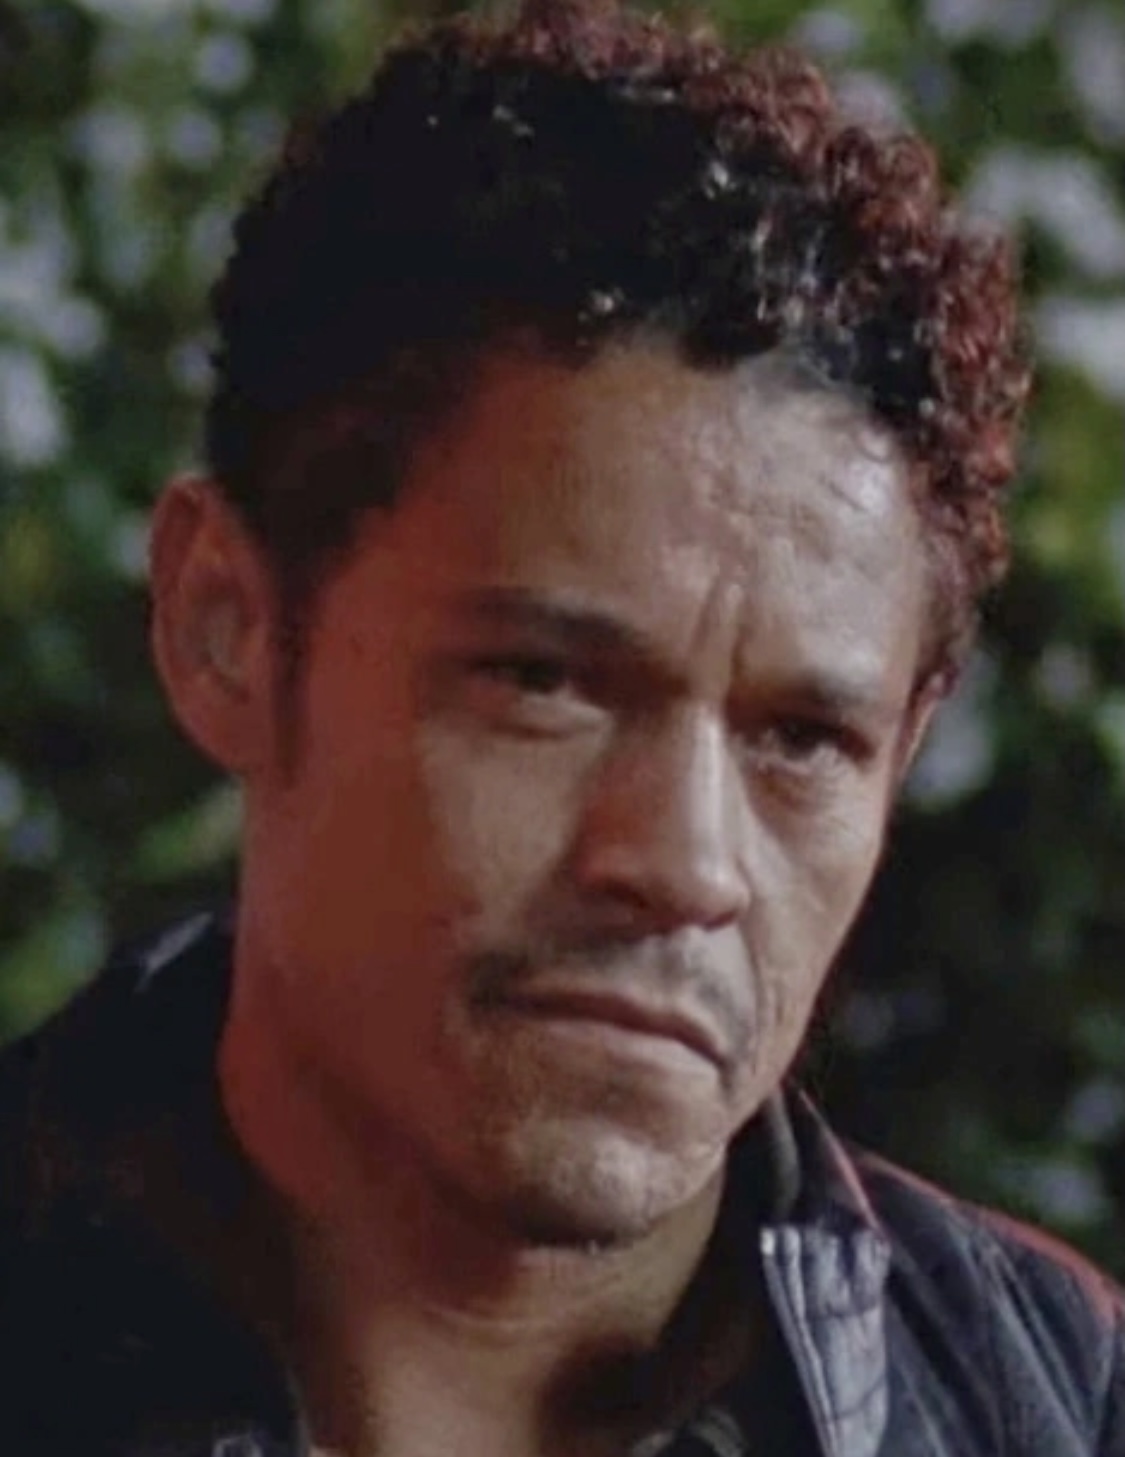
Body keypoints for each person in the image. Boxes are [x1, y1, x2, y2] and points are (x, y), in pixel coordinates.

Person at [0, 1, 1121, 1453]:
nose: (684, 864)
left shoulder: (1055, 1403)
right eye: (544, 682)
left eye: (801, 740)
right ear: (228, 630)